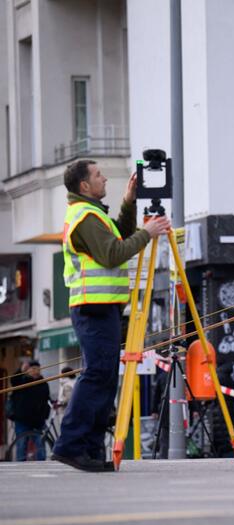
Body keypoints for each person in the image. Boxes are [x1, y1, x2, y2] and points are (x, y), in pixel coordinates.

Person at [51, 159, 171, 472]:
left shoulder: (92, 214)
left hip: (102, 306)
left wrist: (129, 202)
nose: (104, 178)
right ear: (84, 186)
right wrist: (148, 232)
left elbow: (119, 236)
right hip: (94, 307)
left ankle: (88, 449)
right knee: (97, 375)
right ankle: (70, 445)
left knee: (103, 377)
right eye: (98, 175)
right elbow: (113, 253)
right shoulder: (85, 217)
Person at [10, 360, 53, 460]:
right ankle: (19, 468)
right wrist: (20, 370)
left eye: (37, 369)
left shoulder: (43, 383)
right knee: (21, 445)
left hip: (38, 420)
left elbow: (46, 399)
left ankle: (42, 467)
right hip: (22, 419)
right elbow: (13, 380)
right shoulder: (21, 380)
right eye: (32, 368)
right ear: (28, 370)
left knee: (40, 446)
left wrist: (45, 415)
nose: (35, 371)